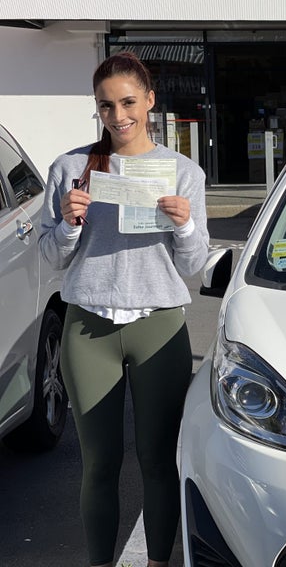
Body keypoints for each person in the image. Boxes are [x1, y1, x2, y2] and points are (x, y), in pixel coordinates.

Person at [39, 51, 209, 567]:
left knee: (158, 459)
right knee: (99, 462)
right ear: (97, 109)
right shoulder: (71, 168)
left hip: (158, 326)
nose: (118, 116)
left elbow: (193, 265)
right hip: (88, 327)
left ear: (150, 101)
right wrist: (68, 224)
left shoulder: (181, 172)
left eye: (128, 102)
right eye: (106, 106)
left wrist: (184, 225)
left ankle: (157, 561)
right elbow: (51, 256)